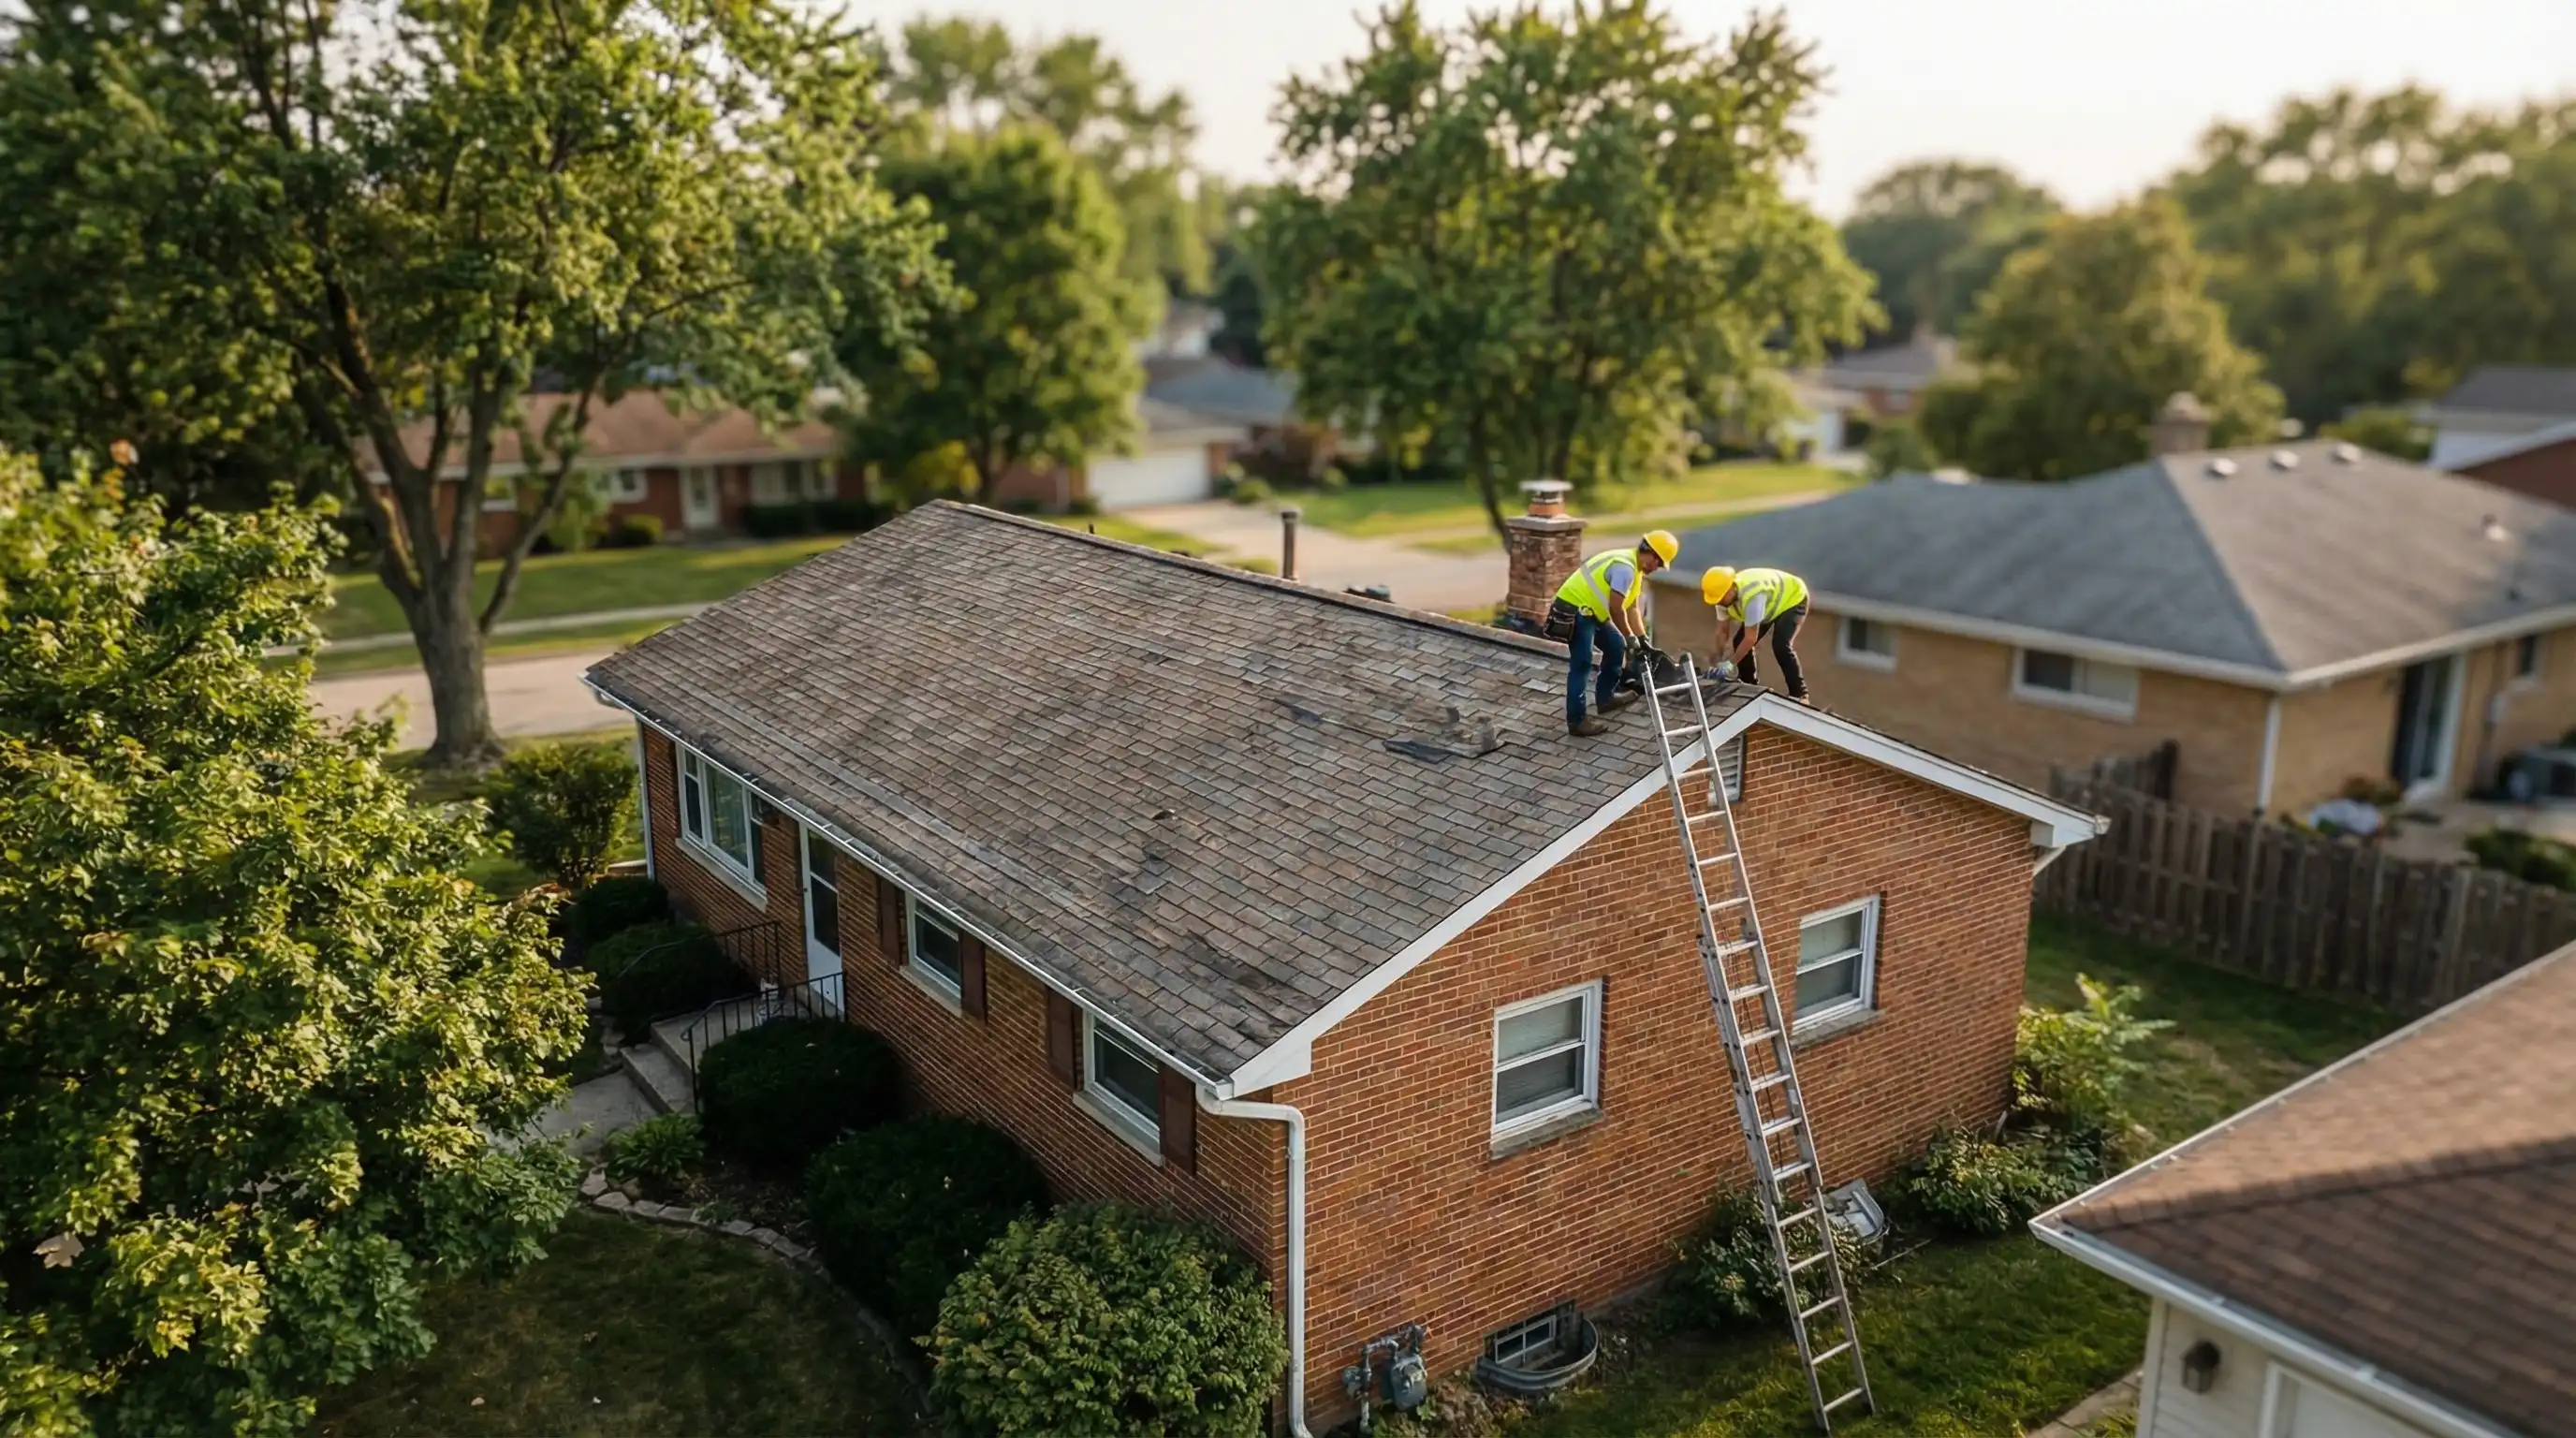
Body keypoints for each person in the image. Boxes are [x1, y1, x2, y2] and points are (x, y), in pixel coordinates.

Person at [1547, 530, 1677, 736]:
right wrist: (1630, 636)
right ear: (1652, 555)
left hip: (1592, 612)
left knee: (1616, 646)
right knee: (1582, 663)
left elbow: (1632, 608)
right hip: (1576, 609)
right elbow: (1616, 609)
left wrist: (1642, 639)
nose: (1656, 569)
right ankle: (1577, 721)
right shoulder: (1625, 568)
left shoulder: (1635, 570)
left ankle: (1606, 698)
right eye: (1659, 564)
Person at [1701, 565, 1812, 704]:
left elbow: (1750, 638)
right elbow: (1723, 631)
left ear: (1731, 588)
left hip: (1793, 598)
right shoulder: (1721, 599)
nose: (1720, 603)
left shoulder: (1752, 596)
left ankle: (1800, 694)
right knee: (1738, 641)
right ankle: (1749, 685)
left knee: (1780, 645)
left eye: (1722, 598)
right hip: (1768, 605)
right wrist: (1719, 660)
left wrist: (1730, 664)